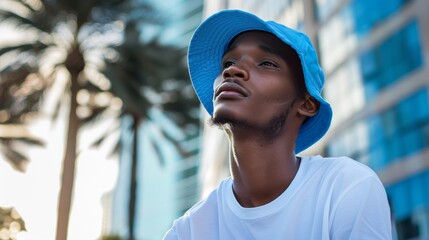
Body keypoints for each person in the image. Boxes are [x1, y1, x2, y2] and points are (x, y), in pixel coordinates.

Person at [163, 9, 392, 240]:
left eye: (266, 63)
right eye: (228, 62)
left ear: (306, 104)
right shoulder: (188, 231)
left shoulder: (346, 187)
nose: (232, 70)